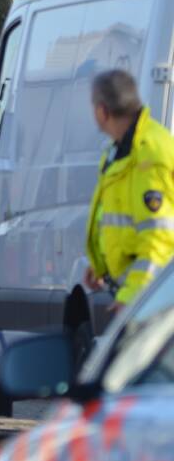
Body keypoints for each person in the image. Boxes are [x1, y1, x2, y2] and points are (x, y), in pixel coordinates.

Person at [85, 70, 174, 310]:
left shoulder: (148, 155)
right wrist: (101, 263)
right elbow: (119, 216)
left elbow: (159, 237)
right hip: (142, 294)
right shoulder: (118, 151)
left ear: (102, 111)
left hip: (152, 301)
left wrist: (132, 295)